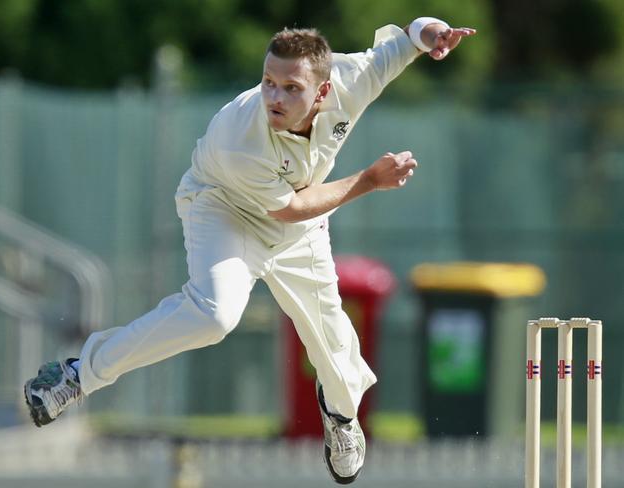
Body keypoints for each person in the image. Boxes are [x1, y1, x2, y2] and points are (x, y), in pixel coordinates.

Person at [24, 17, 475, 484]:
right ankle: (78, 375)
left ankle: (340, 419)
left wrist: (433, 34)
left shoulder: (349, 81)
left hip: (298, 221)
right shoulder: (241, 135)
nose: (274, 97)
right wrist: (368, 180)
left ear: (323, 92)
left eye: (290, 87)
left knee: (338, 356)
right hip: (225, 209)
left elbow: (404, 41)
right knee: (214, 314)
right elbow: (292, 207)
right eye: (268, 83)